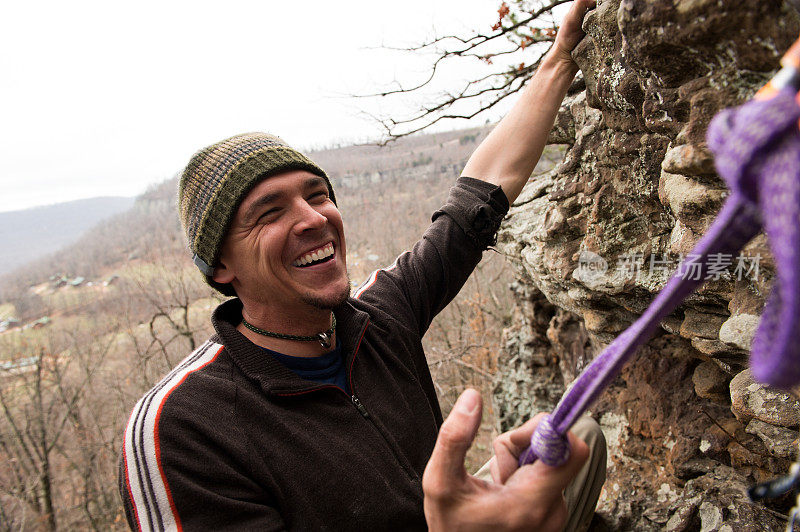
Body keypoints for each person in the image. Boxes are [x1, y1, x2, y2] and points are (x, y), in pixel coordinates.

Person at [119, 0, 605, 530]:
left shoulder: (378, 319)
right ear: (220, 267)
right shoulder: (185, 424)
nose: (314, 219)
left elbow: (480, 194)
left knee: (576, 439)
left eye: (317, 194)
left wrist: (561, 57)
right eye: (270, 213)